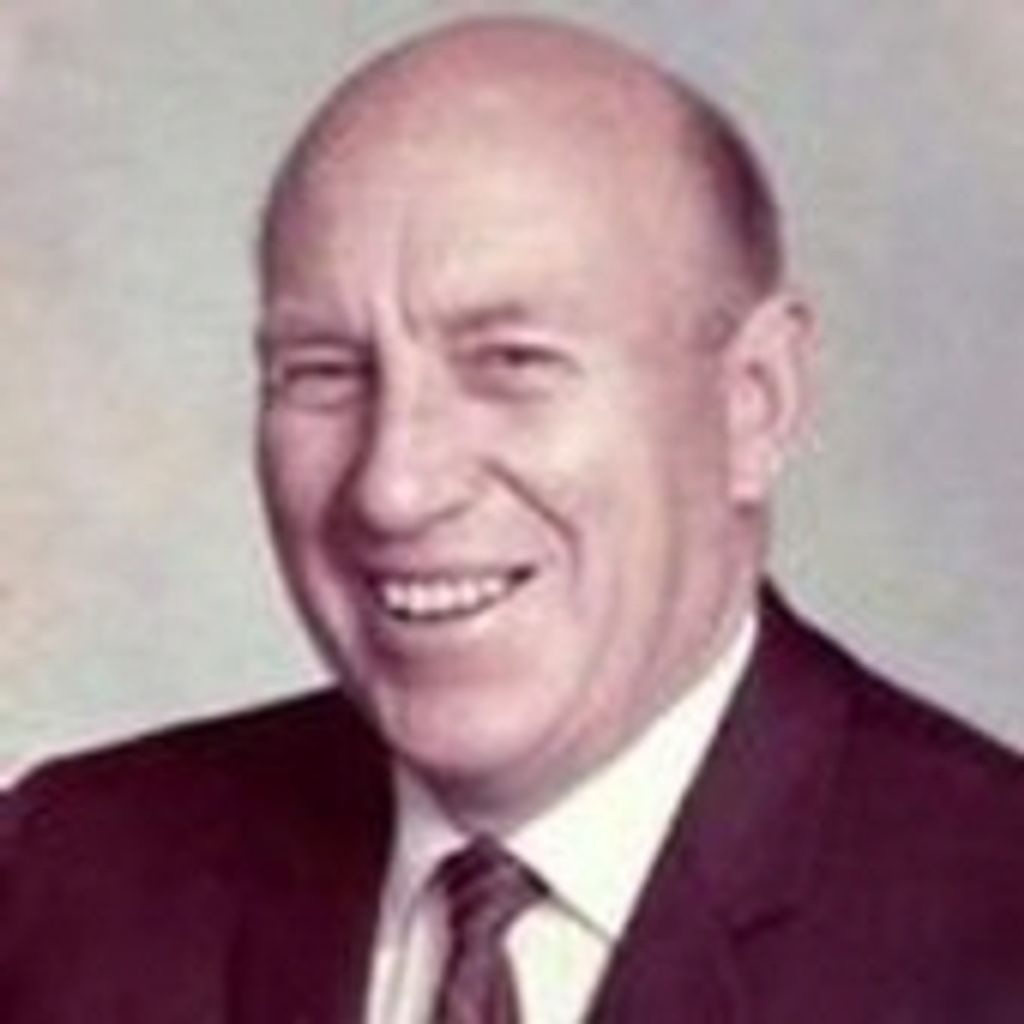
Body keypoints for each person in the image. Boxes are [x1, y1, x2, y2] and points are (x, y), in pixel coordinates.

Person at [4, 14, 1024, 1023]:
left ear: (752, 402)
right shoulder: (57, 879)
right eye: (323, 372)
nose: (393, 485)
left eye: (511, 362)